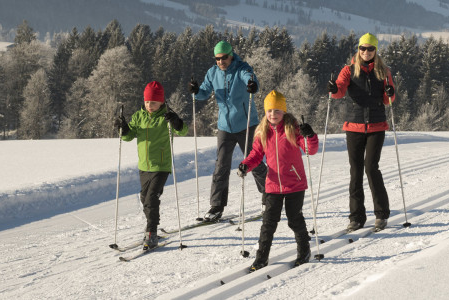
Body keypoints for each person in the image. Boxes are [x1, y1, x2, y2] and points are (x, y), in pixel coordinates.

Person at [236, 90, 319, 272]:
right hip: (272, 184)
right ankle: (261, 258)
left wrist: (310, 136)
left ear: (284, 112)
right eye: (270, 111)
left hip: (294, 184)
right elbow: (256, 154)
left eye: (277, 111)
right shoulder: (263, 131)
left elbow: (309, 150)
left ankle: (304, 251)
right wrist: (245, 165)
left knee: (294, 219)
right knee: (268, 223)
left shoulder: (293, 129)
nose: (273, 114)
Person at [190, 40, 267, 222]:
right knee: (221, 165)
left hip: (246, 124)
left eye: (223, 58)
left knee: (253, 161)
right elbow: (203, 93)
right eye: (217, 58)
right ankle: (216, 206)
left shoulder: (241, 68)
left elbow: (250, 77)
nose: (220, 61)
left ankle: (269, 195)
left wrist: (252, 84)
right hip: (225, 126)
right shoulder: (213, 72)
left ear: (231, 55)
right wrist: (195, 91)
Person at [327, 33, 397, 232]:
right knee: (355, 171)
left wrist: (390, 93)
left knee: (371, 168)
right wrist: (333, 88)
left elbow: (388, 100)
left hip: (376, 126)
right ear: (358, 49)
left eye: (370, 49)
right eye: (362, 48)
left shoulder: (383, 71)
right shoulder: (348, 70)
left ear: (376, 50)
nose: (366, 52)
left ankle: (381, 214)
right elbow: (339, 91)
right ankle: (356, 217)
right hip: (354, 127)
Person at [115, 81, 189, 250]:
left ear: (161, 102)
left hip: (161, 165)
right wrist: (123, 128)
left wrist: (176, 122)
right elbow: (128, 136)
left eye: (154, 102)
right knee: (144, 198)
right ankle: (151, 224)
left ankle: (151, 232)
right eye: (147, 102)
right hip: (144, 165)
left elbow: (182, 130)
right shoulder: (139, 116)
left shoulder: (166, 115)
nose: (150, 105)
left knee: (151, 198)